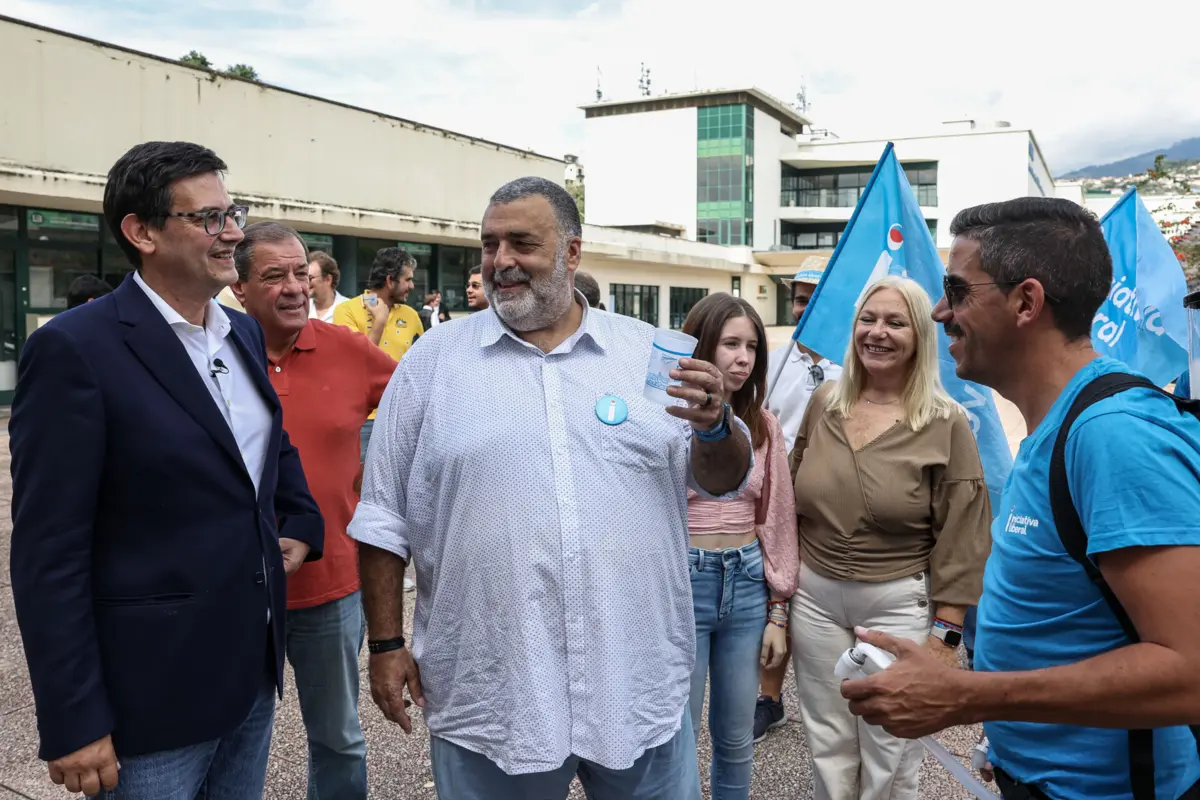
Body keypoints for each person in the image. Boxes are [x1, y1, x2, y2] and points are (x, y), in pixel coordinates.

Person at [348, 175, 754, 800]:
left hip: (633, 682)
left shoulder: (647, 355)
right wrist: (384, 644)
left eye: (522, 243)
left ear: (571, 252)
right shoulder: (432, 363)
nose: (501, 260)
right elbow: (382, 514)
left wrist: (716, 425)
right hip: (493, 693)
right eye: (490, 245)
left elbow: (723, 481)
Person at [844, 198, 1200, 800]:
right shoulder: (1058, 424)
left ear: (1026, 303)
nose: (939, 312)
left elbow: (1190, 672)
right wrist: (1010, 741)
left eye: (956, 291)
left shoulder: (1112, 436)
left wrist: (968, 697)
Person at [8, 140, 324, 800]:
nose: (232, 232)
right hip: (149, 701)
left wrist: (299, 519)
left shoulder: (240, 332)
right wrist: (73, 718)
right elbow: (49, 552)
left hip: (248, 673)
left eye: (233, 213)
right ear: (142, 232)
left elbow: (264, 445)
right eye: (209, 217)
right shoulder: (74, 349)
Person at [791, 275, 992, 800]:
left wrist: (946, 635)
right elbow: (790, 491)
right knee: (827, 741)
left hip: (897, 601)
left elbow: (964, 532)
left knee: (890, 748)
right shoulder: (825, 402)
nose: (877, 332)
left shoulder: (945, 421)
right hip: (814, 599)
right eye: (868, 319)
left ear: (919, 336)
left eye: (895, 322)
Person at [232, 222, 398, 800]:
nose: (294, 287)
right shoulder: (213, 353)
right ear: (238, 287)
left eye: (301, 273)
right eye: (273, 275)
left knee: (338, 738)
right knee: (229, 737)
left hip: (330, 585)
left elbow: (422, 406)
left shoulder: (349, 350)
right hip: (234, 588)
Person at [681, 292, 797, 799]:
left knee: (735, 738)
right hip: (681, 580)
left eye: (752, 347)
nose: (743, 358)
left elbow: (778, 518)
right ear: (701, 344)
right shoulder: (666, 417)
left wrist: (778, 611)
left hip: (748, 583)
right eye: (730, 344)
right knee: (676, 737)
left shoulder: (764, 424)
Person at [754, 267, 843, 742]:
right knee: (775, 594)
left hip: (831, 506)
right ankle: (769, 699)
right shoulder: (772, 361)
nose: (806, 309)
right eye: (800, 299)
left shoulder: (855, 365)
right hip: (776, 500)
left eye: (816, 299)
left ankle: (838, 703)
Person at [308, 250, 348, 322]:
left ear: (328, 279)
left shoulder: (348, 308)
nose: (306, 282)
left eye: (310, 278)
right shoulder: (301, 308)